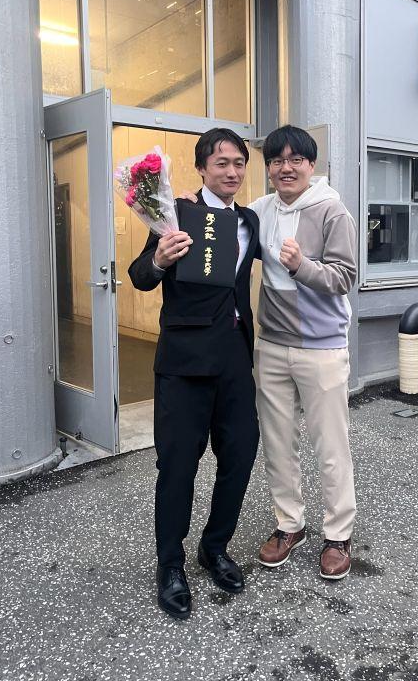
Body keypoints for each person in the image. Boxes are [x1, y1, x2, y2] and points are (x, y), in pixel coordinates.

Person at [128, 128, 260, 621]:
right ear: (202, 168)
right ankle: (170, 565)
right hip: (184, 361)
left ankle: (214, 546)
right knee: (178, 466)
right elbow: (140, 275)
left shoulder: (248, 220)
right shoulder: (175, 213)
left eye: (239, 163)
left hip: (234, 358)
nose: (232, 171)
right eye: (221, 163)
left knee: (240, 454)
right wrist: (159, 259)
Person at [250, 125, 357, 581]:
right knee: (277, 443)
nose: (285, 168)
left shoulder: (332, 211)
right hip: (271, 344)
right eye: (276, 160)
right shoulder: (259, 211)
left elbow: (344, 277)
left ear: (312, 165)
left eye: (296, 159)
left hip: (322, 346)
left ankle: (339, 534)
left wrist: (301, 267)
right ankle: (289, 524)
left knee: (331, 445)